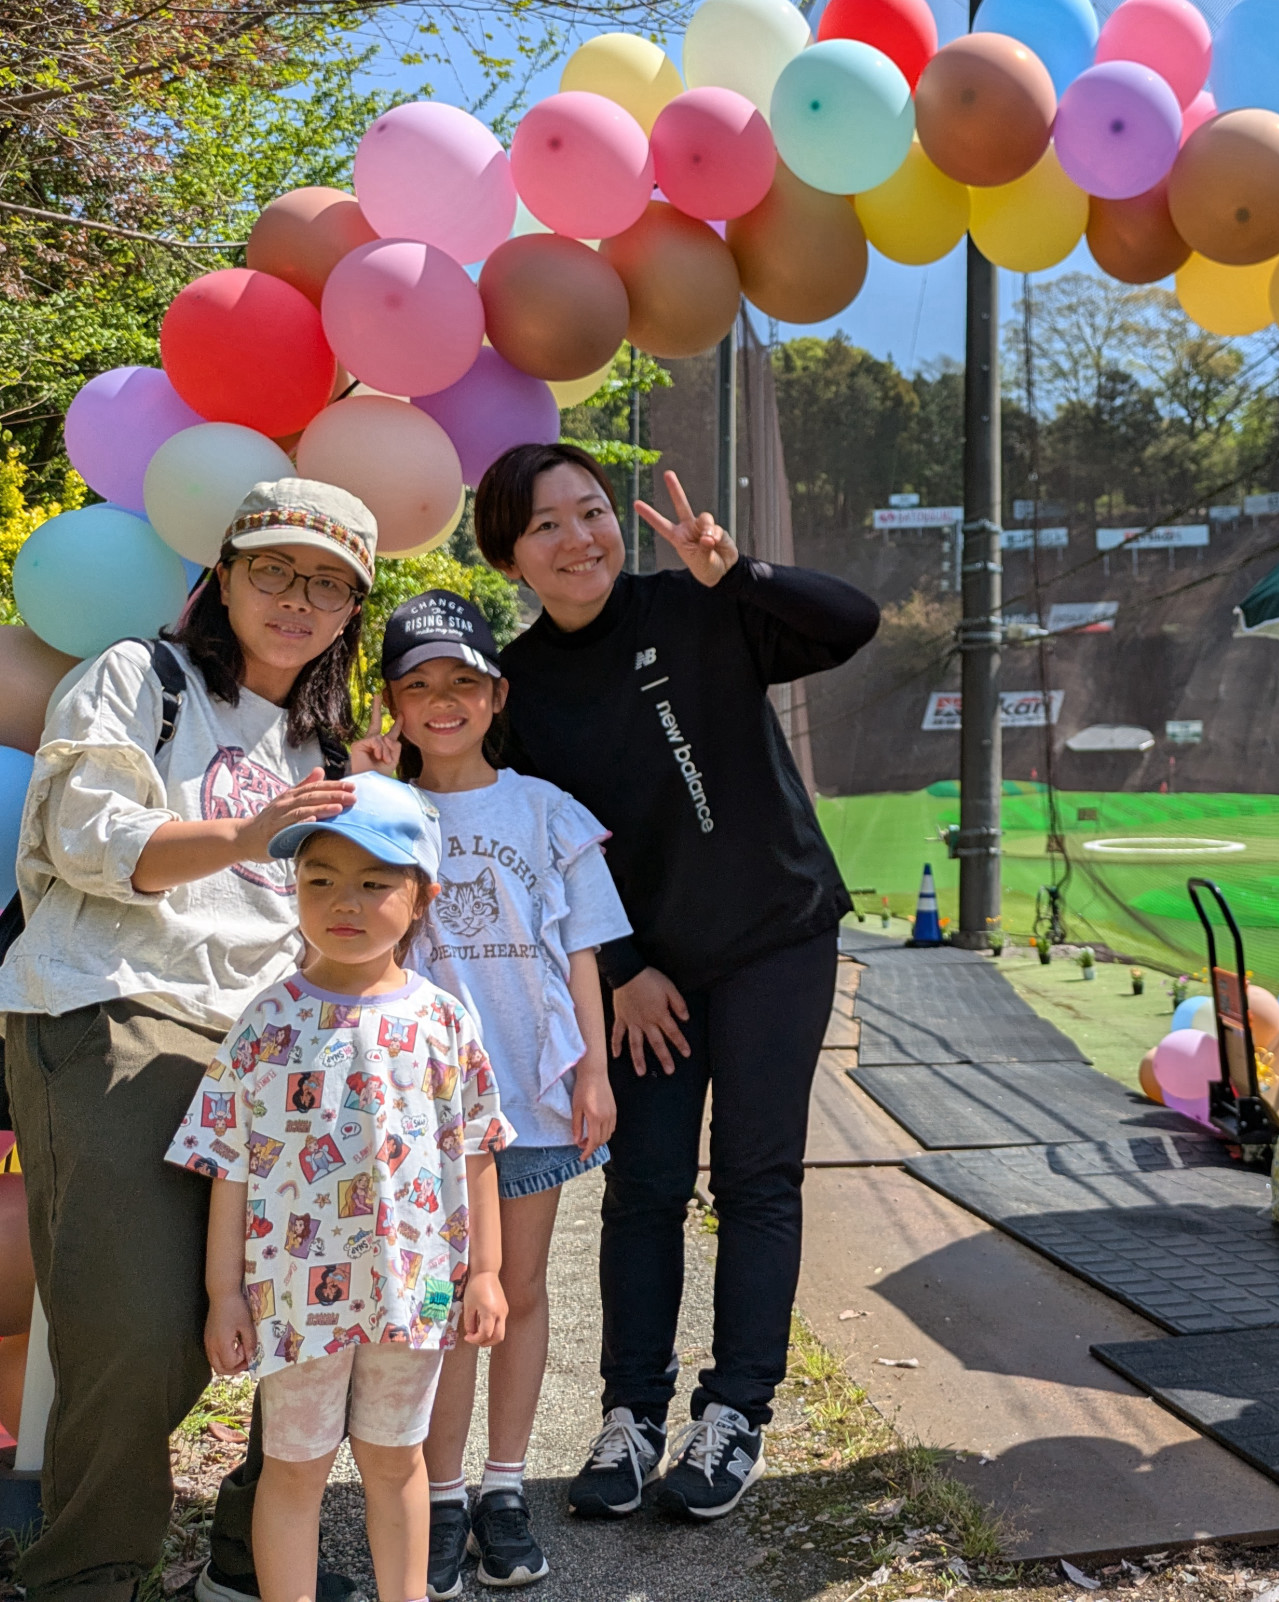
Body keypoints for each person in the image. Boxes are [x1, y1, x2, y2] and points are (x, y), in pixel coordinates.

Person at [0, 479, 387, 1602]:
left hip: (273, 1043)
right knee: (139, 1327)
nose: (298, 599)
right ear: (222, 578)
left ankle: (258, 1560)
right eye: (275, 571)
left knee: (311, 1309)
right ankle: (88, 1576)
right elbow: (85, 835)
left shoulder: (330, 743)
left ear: (351, 608)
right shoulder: (137, 679)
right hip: (118, 1006)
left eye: (328, 583)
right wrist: (248, 833)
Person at [471, 446, 878, 1523]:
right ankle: (632, 1414)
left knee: (756, 1177)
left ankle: (735, 1408)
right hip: (646, 975)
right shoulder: (519, 689)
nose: (579, 539)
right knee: (646, 1186)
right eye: (545, 525)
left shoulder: (697, 602)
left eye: (593, 512)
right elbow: (545, 856)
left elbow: (850, 623)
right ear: (508, 553)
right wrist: (622, 973)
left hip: (775, 938)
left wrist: (737, 571)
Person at [172, 773, 512, 1602]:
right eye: (320, 880)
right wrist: (224, 1295)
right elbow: (230, 1165)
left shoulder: (444, 1021)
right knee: (295, 1469)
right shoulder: (266, 1021)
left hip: (414, 1290)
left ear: (423, 896)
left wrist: (488, 1273)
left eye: (374, 882)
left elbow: (476, 1150)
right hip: (294, 1297)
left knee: (398, 1463)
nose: (344, 902)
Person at [352, 590, 627, 1594]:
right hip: (421, 1109)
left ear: (497, 693)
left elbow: (583, 949)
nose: (441, 701)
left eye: (461, 682)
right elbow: (341, 935)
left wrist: (593, 1066)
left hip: (533, 1092)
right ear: (390, 699)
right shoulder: (384, 809)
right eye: (417, 685)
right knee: (441, 1299)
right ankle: (442, 1490)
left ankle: (505, 1486)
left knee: (514, 1291)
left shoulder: (547, 808)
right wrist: (365, 794)